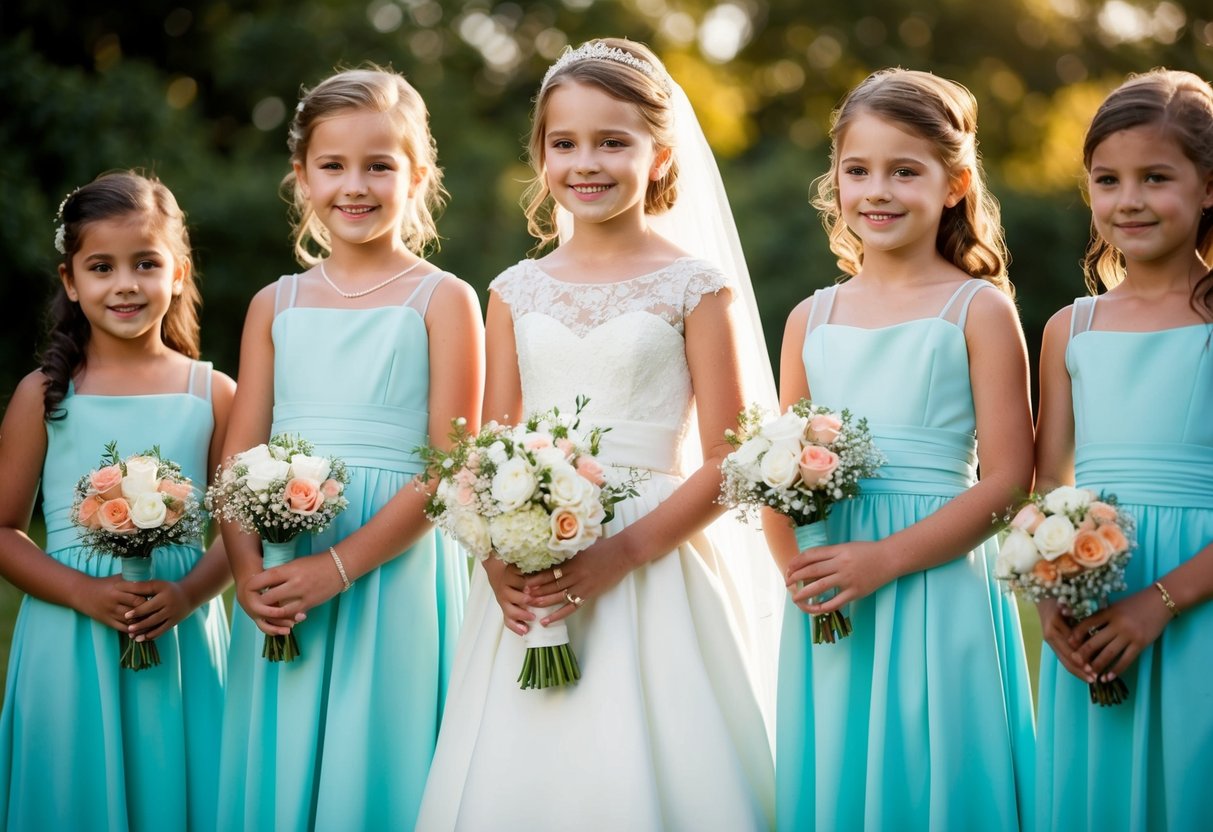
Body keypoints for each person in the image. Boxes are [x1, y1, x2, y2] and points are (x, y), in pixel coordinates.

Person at [416, 38, 776, 831]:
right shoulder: (513, 289)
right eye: (564, 142)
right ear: (541, 154)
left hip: (652, 558)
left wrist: (623, 550)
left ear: (659, 153)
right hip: (531, 563)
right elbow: (486, 449)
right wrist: (494, 552)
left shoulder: (694, 286)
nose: (587, 162)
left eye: (613, 141)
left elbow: (727, 459)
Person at [215, 66, 483, 829]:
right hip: (279, 579)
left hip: (393, 568)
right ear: (301, 176)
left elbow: (446, 468)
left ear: (418, 175)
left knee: (382, 763)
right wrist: (249, 576)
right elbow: (238, 460)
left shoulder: (445, 299)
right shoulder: (277, 303)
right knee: (283, 761)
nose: (354, 185)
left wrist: (337, 567)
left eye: (379, 165)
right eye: (332, 165)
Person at [769, 69, 1036, 830]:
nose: (876, 191)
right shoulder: (809, 318)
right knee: (840, 769)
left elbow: (1010, 479)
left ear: (953, 184)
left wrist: (884, 560)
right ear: (836, 183)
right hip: (830, 583)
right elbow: (779, 466)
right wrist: (797, 568)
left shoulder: (977, 310)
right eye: (857, 170)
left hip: (935, 576)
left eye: (903, 171)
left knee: (934, 766)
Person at [0, 171, 233, 831]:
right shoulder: (42, 396)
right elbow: (3, 530)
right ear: (71, 281)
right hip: (69, 636)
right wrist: (82, 592)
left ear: (179, 273)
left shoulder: (213, 394)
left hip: (180, 633)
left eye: (146, 264)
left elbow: (235, 532)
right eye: (101, 267)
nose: (125, 284)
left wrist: (188, 594)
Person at [1033, 69, 1213, 831]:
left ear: (1207, 186)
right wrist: (1049, 590)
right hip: (1094, 599)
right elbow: (1049, 480)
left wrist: (1159, 602)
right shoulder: (1067, 329)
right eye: (1106, 180)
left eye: (1154, 177)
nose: (1127, 200)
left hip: (1194, 596)